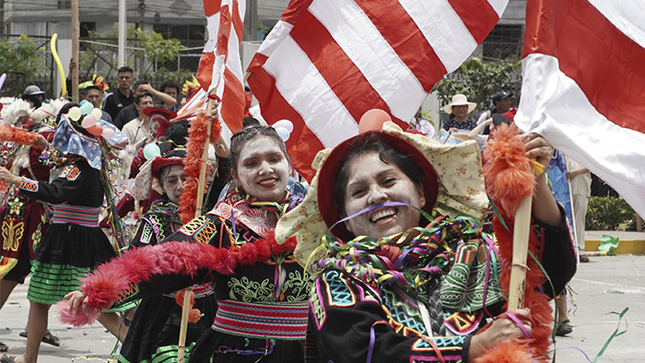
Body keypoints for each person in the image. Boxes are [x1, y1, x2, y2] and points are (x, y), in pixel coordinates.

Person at [275, 123, 575, 362]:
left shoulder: (474, 250)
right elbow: (363, 350)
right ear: (343, 218)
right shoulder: (337, 279)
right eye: (358, 192)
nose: (377, 196)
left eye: (388, 181)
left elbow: (550, 273)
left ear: (421, 193)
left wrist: (533, 178)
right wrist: (471, 347)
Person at [64, 124, 310, 363]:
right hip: (236, 352)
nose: (265, 169)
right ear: (234, 175)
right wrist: (102, 288)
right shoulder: (221, 223)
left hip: (308, 349)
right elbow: (165, 257)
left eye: (274, 159)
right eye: (251, 163)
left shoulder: (317, 221)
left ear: (288, 164)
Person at [0, 103, 130, 363]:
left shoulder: (78, 168)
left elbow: (56, 193)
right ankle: (29, 356)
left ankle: (136, 350)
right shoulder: (89, 167)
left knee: (90, 301)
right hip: (79, 236)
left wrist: (16, 180)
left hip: (70, 240)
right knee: (42, 299)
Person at [117, 148, 217, 363]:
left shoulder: (213, 219)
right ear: (161, 186)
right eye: (171, 181)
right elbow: (136, 262)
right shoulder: (152, 223)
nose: (180, 186)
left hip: (207, 307)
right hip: (164, 309)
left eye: (186, 178)